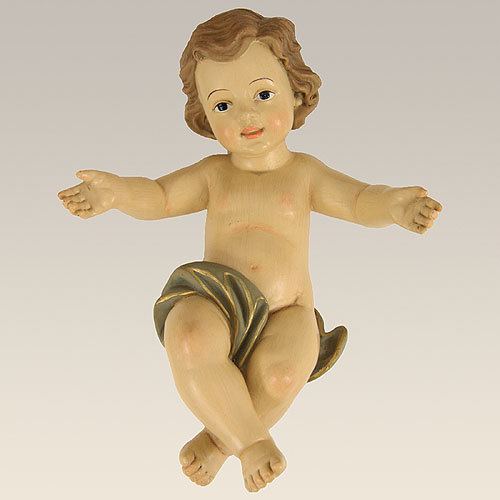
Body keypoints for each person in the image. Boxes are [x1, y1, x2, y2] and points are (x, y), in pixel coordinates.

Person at [57, 9, 442, 493]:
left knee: (283, 373)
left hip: (289, 309)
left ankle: (221, 442)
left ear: (295, 91)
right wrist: (116, 193)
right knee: (188, 338)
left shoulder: (304, 173)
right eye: (223, 105)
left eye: (263, 95)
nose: (246, 116)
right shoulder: (213, 174)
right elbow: (159, 196)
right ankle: (253, 443)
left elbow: (359, 200)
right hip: (217, 298)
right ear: (204, 114)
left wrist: (395, 205)